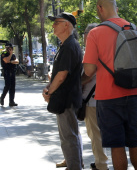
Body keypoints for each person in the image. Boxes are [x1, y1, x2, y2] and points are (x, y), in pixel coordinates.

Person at [82, 0, 137, 170]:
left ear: (100, 8)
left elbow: (88, 70)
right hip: (132, 94)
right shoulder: (135, 29)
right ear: (116, 8)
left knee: (117, 145)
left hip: (108, 97)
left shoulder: (95, 33)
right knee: (135, 141)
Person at [42, 12, 83, 170]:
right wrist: (49, 88)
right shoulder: (67, 45)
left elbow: (62, 76)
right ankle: (75, 163)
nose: (53, 25)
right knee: (71, 135)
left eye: (57, 22)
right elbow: (58, 74)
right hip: (67, 97)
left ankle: (74, 167)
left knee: (68, 137)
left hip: (67, 99)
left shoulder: (69, 46)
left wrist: (49, 92)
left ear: (66, 25)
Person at [82, 23, 109, 170]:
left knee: (95, 134)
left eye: (86, 33)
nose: (85, 37)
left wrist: (75, 82)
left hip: (92, 99)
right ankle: (100, 161)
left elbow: (88, 73)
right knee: (98, 133)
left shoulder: (93, 49)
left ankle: (101, 165)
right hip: (102, 97)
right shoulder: (105, 48)